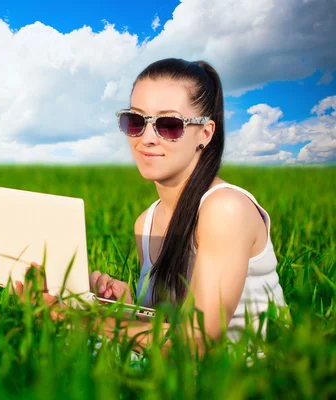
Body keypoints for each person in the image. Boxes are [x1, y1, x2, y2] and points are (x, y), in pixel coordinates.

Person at [16, 58, 287, 354]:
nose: (146, 139)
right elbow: (165, 328)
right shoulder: (146, 222)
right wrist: (124, 305)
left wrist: (86, 319)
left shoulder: (226, 208)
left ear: (205, 133)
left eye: (168, 125)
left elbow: (197, 341)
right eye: (135, 121)